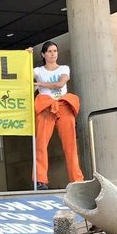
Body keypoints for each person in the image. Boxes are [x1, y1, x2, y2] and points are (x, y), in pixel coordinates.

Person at [30, 41, 84, 190]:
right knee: (40, 144)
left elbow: (60, 84)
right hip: (46, 106)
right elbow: (21, 74)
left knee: (70, 144)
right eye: (49, 51)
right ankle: (40, 180)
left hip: (63, 105)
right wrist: (26, 55)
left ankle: (77, 180)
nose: (53, 54)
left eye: (55, 51)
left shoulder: (64, 68)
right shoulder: (38, 70)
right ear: (43, 54)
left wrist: (40, 85)